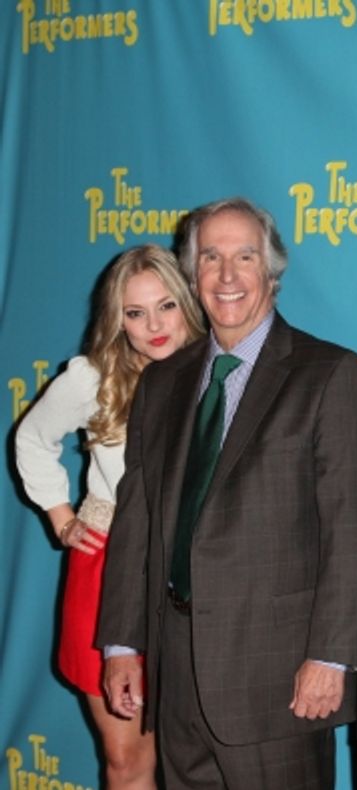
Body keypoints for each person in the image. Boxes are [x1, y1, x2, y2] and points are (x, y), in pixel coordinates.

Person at [96, 197, 357, 790]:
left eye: (244, 257)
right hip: (177, 673)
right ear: (192, 272)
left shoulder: (330, 375)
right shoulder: (162, 381)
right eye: (211, 258)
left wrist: (330, 657)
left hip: (280, 680)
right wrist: (122, 642)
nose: (227, 276)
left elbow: (351, 528)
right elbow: (138, 521)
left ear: (272, 271)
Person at [15, 244, 204, 789]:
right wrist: (62, 516)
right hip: (106, 571)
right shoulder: (93, 378)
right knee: (126, 758)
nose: (154, 326)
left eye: (166, 306)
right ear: (116, 319)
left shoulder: (221, 373)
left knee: (195, 752)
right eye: (135, 313)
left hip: (196, 572)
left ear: (187, 302)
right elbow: (31, 437)